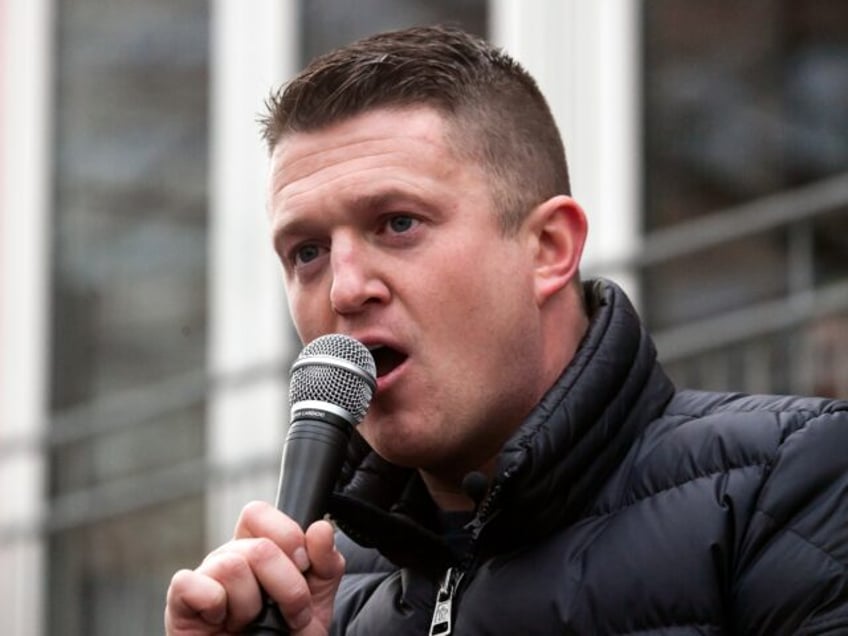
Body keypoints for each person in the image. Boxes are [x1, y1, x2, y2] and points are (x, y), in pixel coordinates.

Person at [165, 25, 848, 635]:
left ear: (548, 247)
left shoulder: (786, 484)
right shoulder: (323, 597)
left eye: (398, 223)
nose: (344, 289)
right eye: (306, 251)